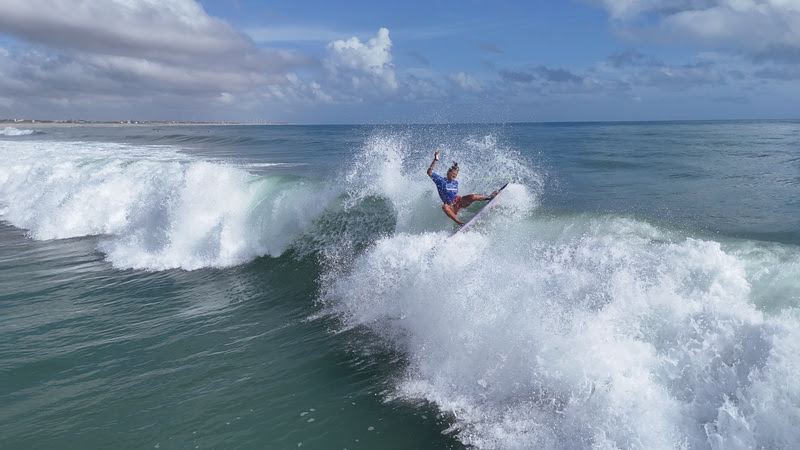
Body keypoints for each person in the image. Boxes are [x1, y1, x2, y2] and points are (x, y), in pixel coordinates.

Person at [427, 150, 497, 226]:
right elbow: (429, 172)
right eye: (453, 174)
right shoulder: (440, 180)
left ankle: (489, 197)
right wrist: (435, 159)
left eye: (456, 174)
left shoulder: (455, 182)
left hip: (459, 202)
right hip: (451, 207)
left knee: (472, 196)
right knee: (445, 207)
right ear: (448, 172)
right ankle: (459, 223)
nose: (454, 176)